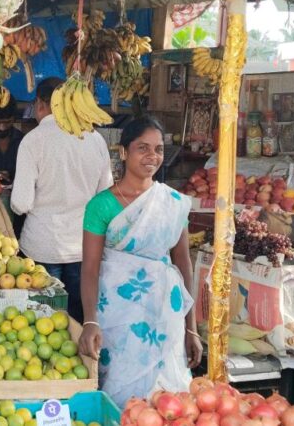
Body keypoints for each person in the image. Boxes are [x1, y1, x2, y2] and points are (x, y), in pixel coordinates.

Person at [77, 116, 202, 406]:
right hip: (118, 317)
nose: (152, 156)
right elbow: (90, 269)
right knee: (121, 392)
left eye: (158, 149)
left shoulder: (172, 202)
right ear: (123, 152)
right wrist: (90, 320)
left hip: (165, 313)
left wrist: (191, 327)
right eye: (142, 148)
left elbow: (183, 263)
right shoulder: (101, 205)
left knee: (168, 398)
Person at [11, 77, 114, 323]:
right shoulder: (95, 139)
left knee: (43, 326)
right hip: (83, 247)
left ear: (40, 104)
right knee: (79, 324)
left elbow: (20, 203)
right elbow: (105, 195)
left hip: (42, 247)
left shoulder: (33, 140)